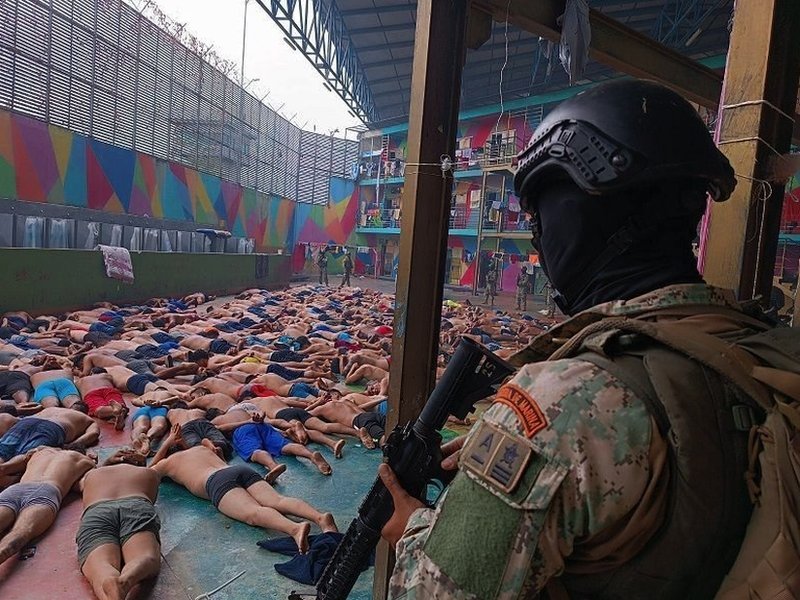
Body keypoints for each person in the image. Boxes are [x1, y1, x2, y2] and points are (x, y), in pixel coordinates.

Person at [378, 80, 761, 599]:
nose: (540, 237)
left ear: (579, 217)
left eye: (542, 217)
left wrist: (413, 531)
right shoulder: (749, 343)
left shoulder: (562, 402)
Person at [150, 425, 337, 554]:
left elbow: (148, 472)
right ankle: (320, 518)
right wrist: (179, 442)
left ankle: (295, 529)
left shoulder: (168, 463)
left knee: (253, 513)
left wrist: (166, 444)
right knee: (277, 500)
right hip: (236, 470)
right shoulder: (199, 449)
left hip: (215, 482)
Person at [77, 460, 162, 600]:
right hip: (135, 504)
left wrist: (109, 460)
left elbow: (77, 486)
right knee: (145, 556)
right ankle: (125, 581)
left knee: (100, 566)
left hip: (98, 509)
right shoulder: (149, 473)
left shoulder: (92, 475)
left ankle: (109, 583)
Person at [0, 447, 95, 565]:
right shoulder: (85, 461)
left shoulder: (40, 452)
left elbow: (10, 467)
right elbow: (86, 484)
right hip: (47, 490)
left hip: (16, 489)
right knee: (20, 533)